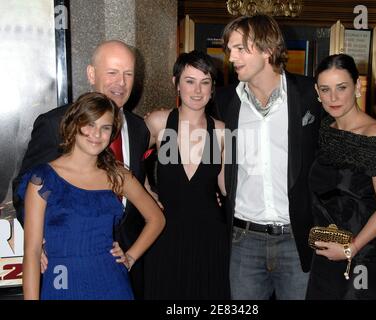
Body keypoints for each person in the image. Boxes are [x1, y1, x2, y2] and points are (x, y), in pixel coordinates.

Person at [12, 40, 150, 299]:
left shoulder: (140, 128)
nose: (121, 82)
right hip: (65, 261)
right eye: (112, 72)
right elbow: (25, 190)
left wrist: (132, 254)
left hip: (119, 267)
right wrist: (39, 239)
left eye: (128, 74)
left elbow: (139, 196)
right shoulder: (55, 122)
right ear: (91, 74)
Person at [214, 14, 322, 300]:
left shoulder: (310, 95)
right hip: (243, 241)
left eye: (240, 49)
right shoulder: (225, 101)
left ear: (267, 50)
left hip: (296, 240)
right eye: (230, 49)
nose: (231, 57)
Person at [305, 53, 376, 299]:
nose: (333, 97)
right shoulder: (325, 129)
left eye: (341, 88)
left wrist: (350, 250)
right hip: (325, 254)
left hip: (363, 253)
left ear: (357, 86)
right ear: (317, 92)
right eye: (325, 89)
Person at [142, 50, 230, 299]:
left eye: (205, 82)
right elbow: (127, 156)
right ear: (176, 83)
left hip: (210, 236)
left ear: (213, 87)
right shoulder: (160, 122)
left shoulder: (223, 132)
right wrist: (145, 189)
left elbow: (227, 187)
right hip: (164, 232)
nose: (197, 90)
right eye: (189, 81)